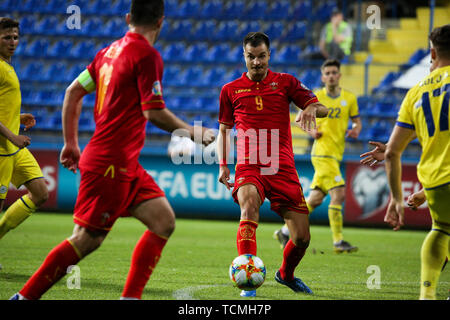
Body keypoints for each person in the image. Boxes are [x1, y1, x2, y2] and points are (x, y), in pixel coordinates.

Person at [10, 0, 214, 300]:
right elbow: (154, 112)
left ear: (129, 17)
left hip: (122, 161)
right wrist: (193, 131)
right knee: (86, 239)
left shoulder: (107, 53)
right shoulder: (147, 55)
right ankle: (24, 298)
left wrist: (70, 142)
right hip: (110, 162)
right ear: (161, 22)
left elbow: (73, 92)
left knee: (163, 221)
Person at [217, 32, 328, 297]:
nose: (256, 62)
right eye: (251, 57)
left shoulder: (286, 83)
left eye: (261, 56)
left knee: (302, 238)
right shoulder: (230, 90)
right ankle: (248, 283)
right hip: (248, 165)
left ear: (269, 55)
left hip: (282, 167)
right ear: (244, 56)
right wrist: (223, 165)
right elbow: (223, 131)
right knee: (248, 207)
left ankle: (285, 275)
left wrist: (312, 108)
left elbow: (321, 107)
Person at [383, 24, 450, 300]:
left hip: (435, 180)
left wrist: (397, 199)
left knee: (441, 229)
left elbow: (391, 152)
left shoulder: (415, 93)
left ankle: (427, 294)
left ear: (432, 52)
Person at [274, 59, 362, 253]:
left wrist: (356, 129)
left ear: (339, 75)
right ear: (323, 77)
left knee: (315, 200)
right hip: (322, 153)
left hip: (336, 154)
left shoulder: (350, 98)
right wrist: (311, 132)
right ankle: (338, 241)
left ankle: (283, 231)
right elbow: (298, 119)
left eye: (334, 72)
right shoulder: (316, 97)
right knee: (338, 194)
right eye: (327, 73)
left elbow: (357, 121)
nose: (331, 76)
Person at [0, 17, 48, 241]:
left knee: (40, 193)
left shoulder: (7, 65)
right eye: (6, 37)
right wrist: (13, 136)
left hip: (13, 147)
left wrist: (18, 118)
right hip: (3, 148)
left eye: (15, 37)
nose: (12, 42)